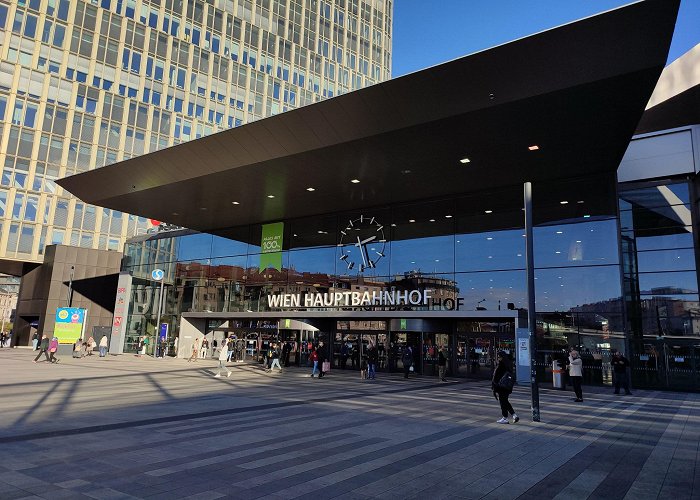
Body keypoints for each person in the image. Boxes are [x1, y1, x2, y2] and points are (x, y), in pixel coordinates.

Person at [492, 351, 519, 424]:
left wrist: (494, 386)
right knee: (505, 401)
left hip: (501, 386)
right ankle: (514, 415)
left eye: (499, 357)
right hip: (507, 386)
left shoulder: (501, 364)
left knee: (503, 402)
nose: (498, 358)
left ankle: (505, 418)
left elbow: (496, 377)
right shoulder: (508, 363)